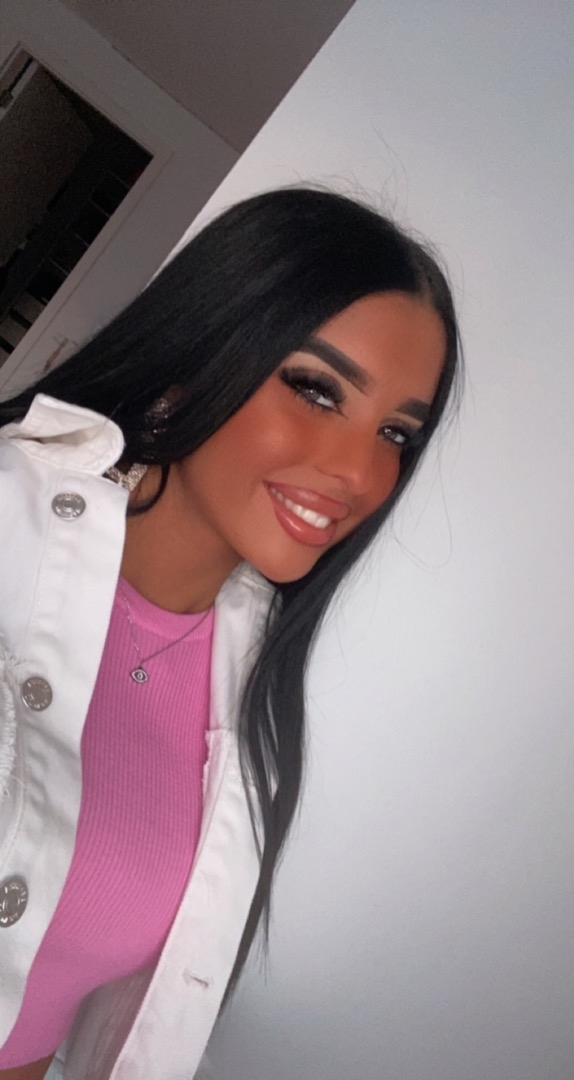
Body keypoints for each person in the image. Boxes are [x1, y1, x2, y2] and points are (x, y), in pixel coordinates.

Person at [0, 187, 461, 1080]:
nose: (361, 472)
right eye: (318, 390)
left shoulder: (246, 691)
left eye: (397, 434)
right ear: (198, 352)